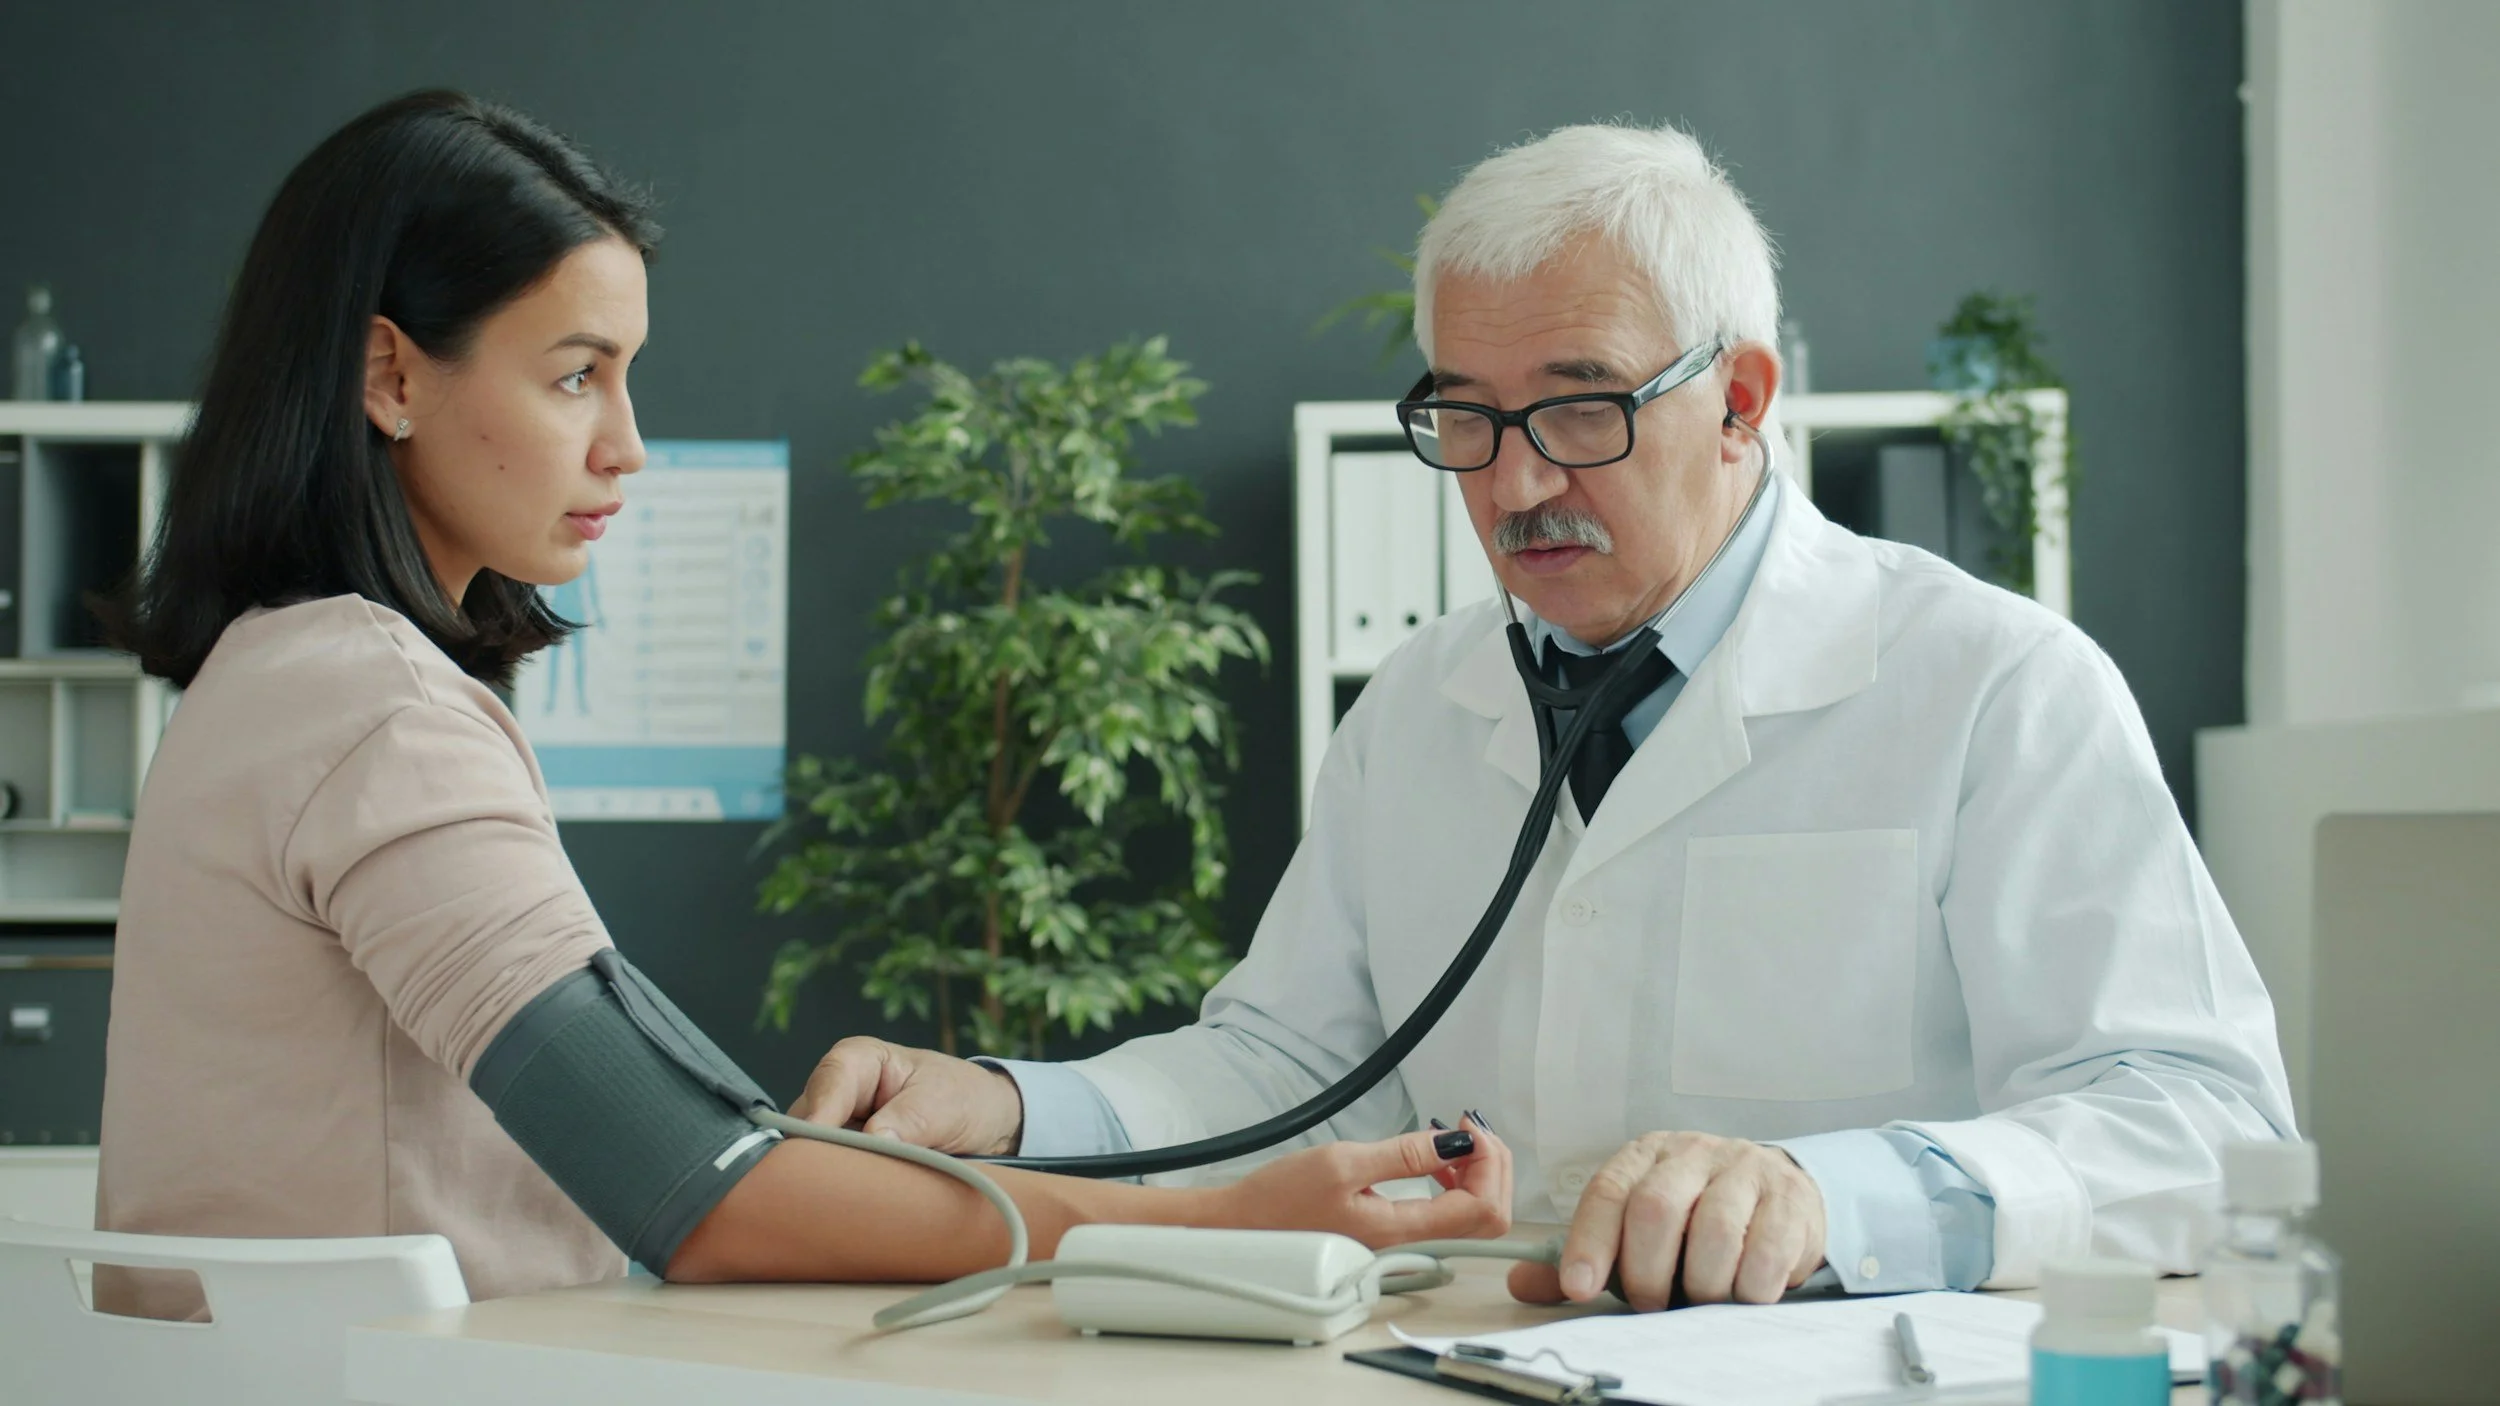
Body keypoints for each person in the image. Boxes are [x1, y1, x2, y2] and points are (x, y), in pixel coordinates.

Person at [800, 122, 2297, 1312]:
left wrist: (1830, 1196)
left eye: (1582, 407)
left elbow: (2196, 1124)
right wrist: (1013, 1106)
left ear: (1740, 401)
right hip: (1470, 1360)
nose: (1515, 483)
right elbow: (1291, 1071)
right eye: (1467, 415)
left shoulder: (1995, 685)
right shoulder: (1417, 702)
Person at [91, 89, 1509, 1322]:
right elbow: (691, 1187)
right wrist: (1222, 1223)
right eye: (576, 375)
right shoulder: (376, 707)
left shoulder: (274, 674)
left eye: (626, 377)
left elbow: (683, 1137)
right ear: (391, 374)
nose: (627, 445)